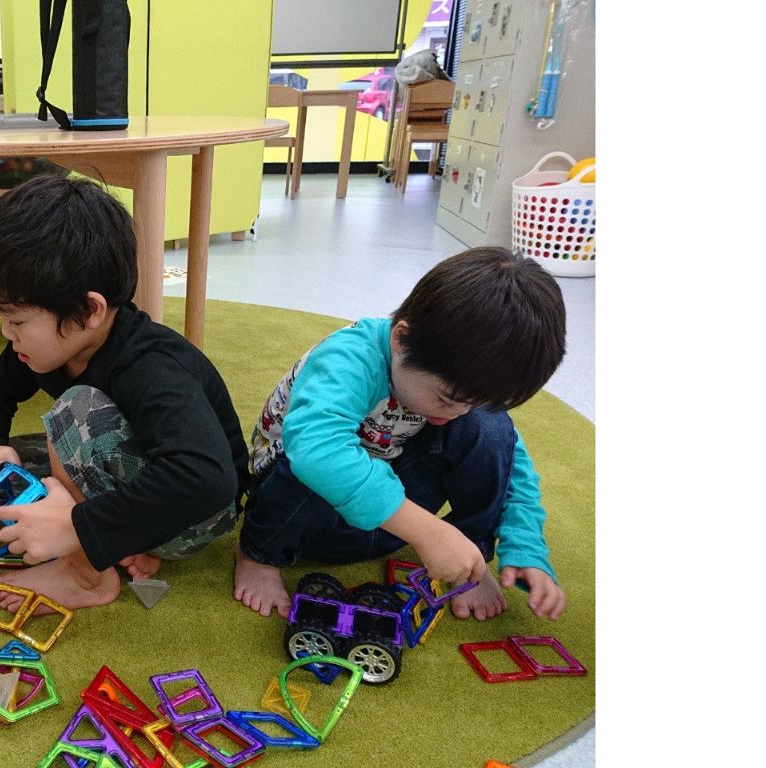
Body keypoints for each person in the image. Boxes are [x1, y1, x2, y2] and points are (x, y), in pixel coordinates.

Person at [0, 174, 250, 611]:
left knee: (76, 409)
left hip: (193, 516)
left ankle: (86, 572)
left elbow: (208, 480)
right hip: (136, 478)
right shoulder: (42, 347)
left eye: (17, 320)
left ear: (89, 310)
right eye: (2, 318)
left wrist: (78, 528)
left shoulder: (152, 365)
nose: (7, 333)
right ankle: (123, 540)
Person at [233, 246, 569, 624]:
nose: (457, 412)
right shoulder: (349, 358)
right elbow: (315, 450)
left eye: (473, 402)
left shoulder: (457, 395)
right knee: (316, 461)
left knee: (491, 430)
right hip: (303, 516)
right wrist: (426, 532)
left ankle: (468, 558)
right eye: (446, 399)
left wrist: (525, 544)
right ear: (401, 339)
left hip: (387, 511)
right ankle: (259, 555)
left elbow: (509, 463)